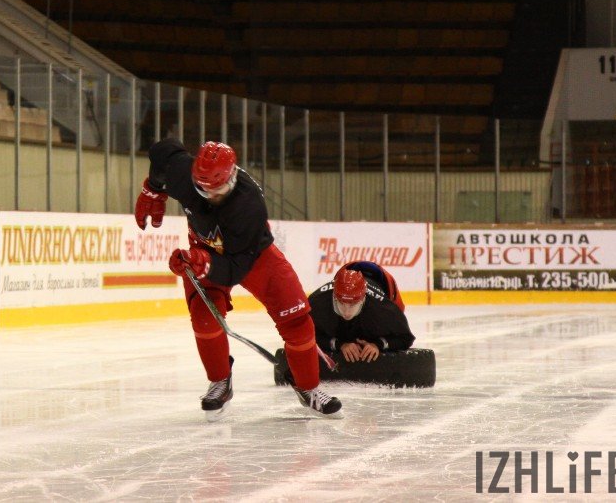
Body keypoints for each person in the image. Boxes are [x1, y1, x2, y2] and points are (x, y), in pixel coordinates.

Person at [134, 138, 342, 420]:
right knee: (204, 319)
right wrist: (153, 190)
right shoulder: (183, 173)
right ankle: (220, 381)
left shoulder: (249, 206)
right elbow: (162, 151)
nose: (210, 195)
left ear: (232, 177)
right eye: (202, 188)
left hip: (253, 256)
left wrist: (203, 263)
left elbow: (236, 269)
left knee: (297, 321)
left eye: (218, 189)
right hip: (205, 250)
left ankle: (309, 387)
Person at [308, 261, 415, 363]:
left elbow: (406, 338)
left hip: (385, 294)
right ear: (334, 296)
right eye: (341, 303)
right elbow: (301, 334)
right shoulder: (317, 302)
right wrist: (339, 344)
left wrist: (378, 344)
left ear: (363, 299)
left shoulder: (384, 309)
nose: (346, 312)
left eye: (352, 305)